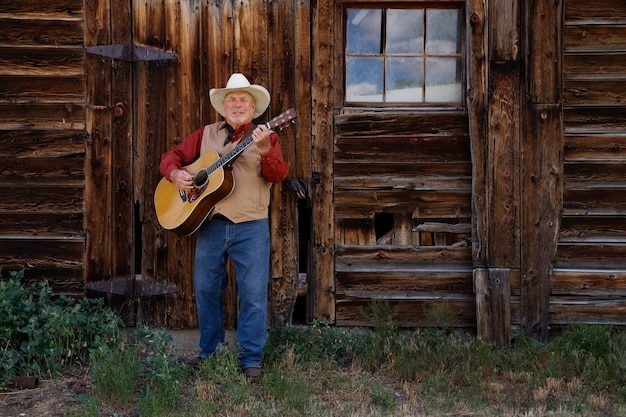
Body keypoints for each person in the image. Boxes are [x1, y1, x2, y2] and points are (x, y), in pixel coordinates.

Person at [159, 73, 289, 383]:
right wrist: (175, 174)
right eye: (232, 99)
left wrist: (264, 150)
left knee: (254, 295)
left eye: (243, 99)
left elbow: (278, 174)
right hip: (211, 224)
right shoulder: (205, 134)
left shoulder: (266, 136)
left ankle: (251, 361)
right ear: (223, 106)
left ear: (253, 106)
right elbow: (171, 157)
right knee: (206, 291)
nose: (237, 104)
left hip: (251, 227)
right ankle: (209, 354)